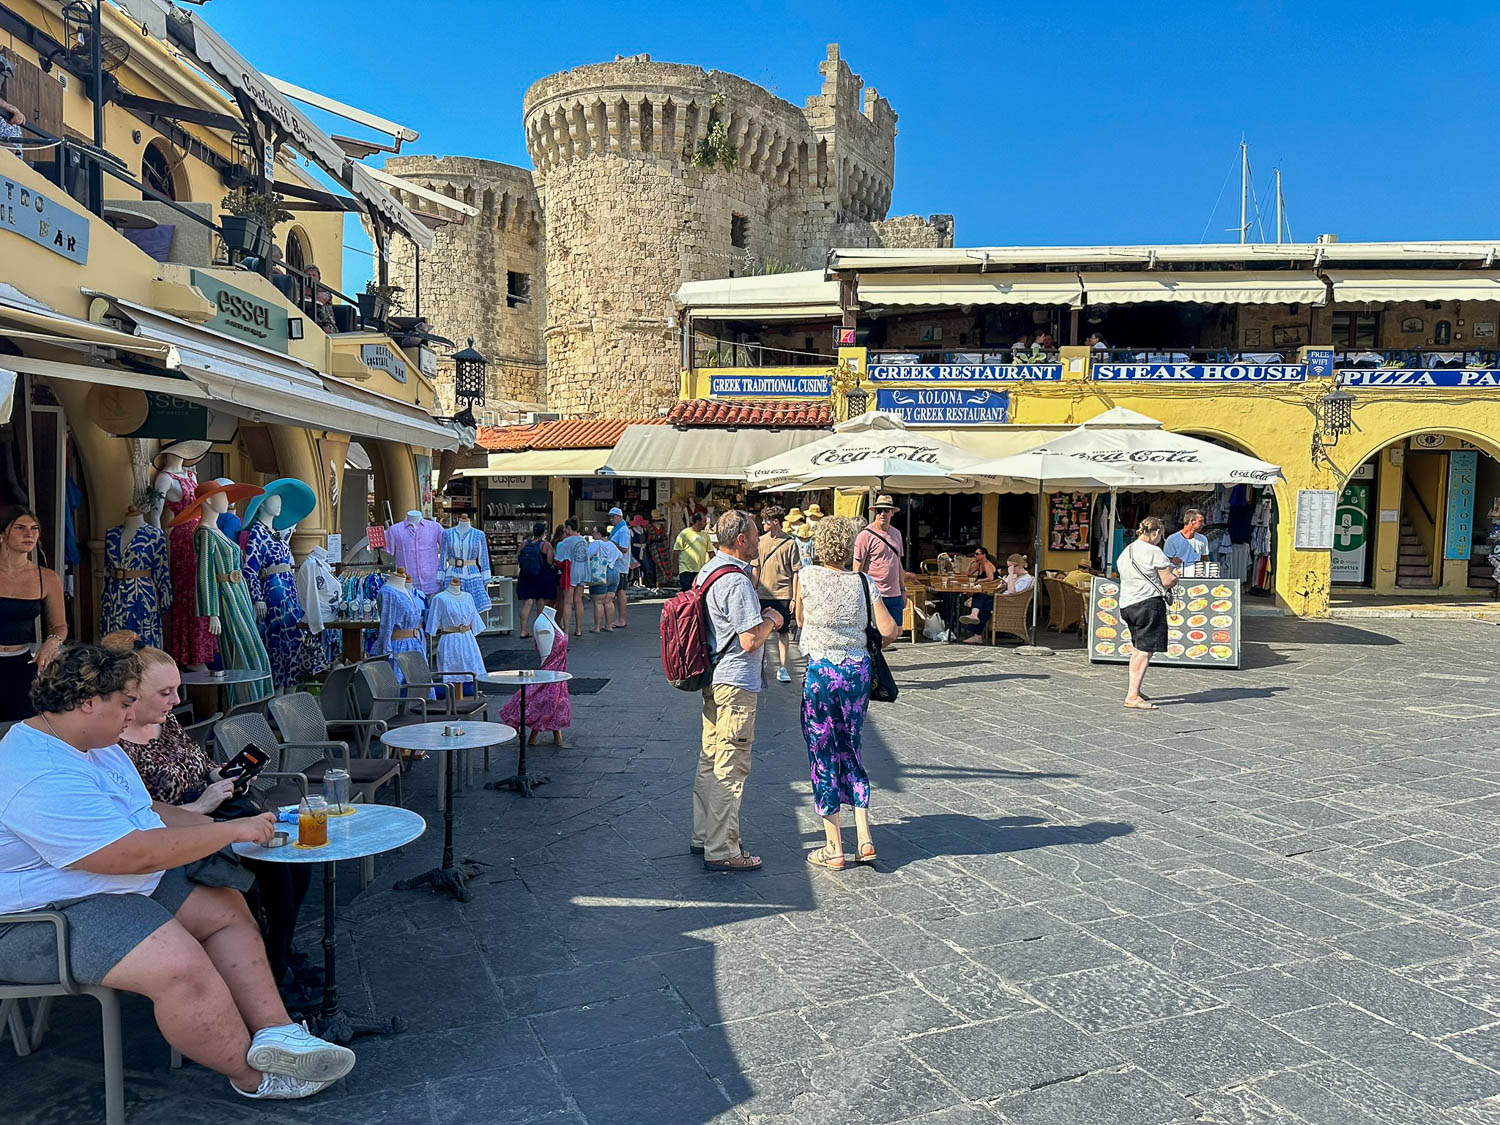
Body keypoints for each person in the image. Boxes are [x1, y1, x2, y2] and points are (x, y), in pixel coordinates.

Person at [0, 645, 354, 1100]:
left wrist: (216, 824)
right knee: (180, 967)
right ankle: (257, 1078)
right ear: (88, 703)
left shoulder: (88, 742)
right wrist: (230, 832)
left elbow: (146, 810)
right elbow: (129, 855)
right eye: (125, 704)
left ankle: (277, 1033)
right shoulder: (40, 771)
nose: (132, 716)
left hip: (100, 882)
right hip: (38, 915)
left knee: (225, 907)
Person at [102, 632, 314, 1001]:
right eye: (165, 692)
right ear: (131, 693)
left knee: (295, 861)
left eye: (176, 689)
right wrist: (201, 806)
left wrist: (223, 776)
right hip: (179, 837)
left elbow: (200, 763)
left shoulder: (164, 722)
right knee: (275, 867)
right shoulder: (112, 745)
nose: (176, 700)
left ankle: (278, 951)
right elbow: (138, 819)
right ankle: (274, 968)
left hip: (215, 812)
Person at [795, 517, 899, 869]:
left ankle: (833, 846)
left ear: (820, 546)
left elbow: (800, 620)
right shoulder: (863, 581)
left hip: (821, 673)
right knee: (851, 748)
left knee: (823, 751)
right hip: (856, 673)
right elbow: (889, 629)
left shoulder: (806, 576)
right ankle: (864, 838)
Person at [692, 510, 783, 872]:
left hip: (713, 676)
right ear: (742, 539)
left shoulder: (708, 570)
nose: (760, 540)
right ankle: (722, 848)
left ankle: (704, 834)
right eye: (756, 535)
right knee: (731, 766)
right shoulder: (737, 581)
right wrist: (772, 620)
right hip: (736, 682)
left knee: (710, 759)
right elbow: (749, 640)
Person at [0, 506, 67, 722]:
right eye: (20, 528)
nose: (29, 534)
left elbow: (59, 625)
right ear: (3, 534)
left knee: (22, 727)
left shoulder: (47, 578)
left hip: (22, 664)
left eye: (34, 528)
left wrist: (52, 642)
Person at [1118, 517, 1179, 711]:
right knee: (1145, 651)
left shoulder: (1127, 550)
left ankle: (1135, 689)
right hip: (1148, 603)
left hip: (1128, 604)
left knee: (1138, 649)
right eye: (1161, 535)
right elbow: (1167, 581)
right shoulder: (1154, 551)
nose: (1160, 539)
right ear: (1156, 533)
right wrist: (1175, 576)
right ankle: (1132, 695)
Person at [753, 505, 800, 683]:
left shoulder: (790, 543)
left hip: (783, 594)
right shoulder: (760, 541)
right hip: (763, 593)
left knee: (783, 631)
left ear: (775, 522)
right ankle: (760, 663)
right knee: (760, 631)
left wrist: (794, 598)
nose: (763, 523)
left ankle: (783, 666)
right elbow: (756, 568)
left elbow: (796, 572)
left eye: (766, 520)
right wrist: (753, 589)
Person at [853, 495, 906, 628]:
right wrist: (857, 594)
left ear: (892, 512)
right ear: (874, 512)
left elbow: (898, 563)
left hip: (894, 593)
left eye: (886, 510)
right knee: (876, 632)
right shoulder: (865, 535)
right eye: (879, 510)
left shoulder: (897, 534)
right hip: (874, 594)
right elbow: (857, 567)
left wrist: (903, 590)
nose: (882, 514)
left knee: (897, 630)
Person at [515, 522, 557, 639]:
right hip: (541, 576)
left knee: (527, 603)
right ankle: (539, 630)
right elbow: (549, 561)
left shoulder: (524, 543)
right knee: (541, 602)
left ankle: (523, 630)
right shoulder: (546, 545)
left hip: (525, 576)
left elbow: (518, 557)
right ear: (543, 533)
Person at [586, 526, 626, 633]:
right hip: (614, 572)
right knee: (609, 601)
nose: (592, 534)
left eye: (593, 532)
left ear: (599, 534)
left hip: (601, 571)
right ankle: (609, 626)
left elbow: (587, 555)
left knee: (598, 602)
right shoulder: (611, 544)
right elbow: (620, 556)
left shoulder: (596, 543)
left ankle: (597, 627)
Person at [555, 519, 588, 637]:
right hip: (583, 572)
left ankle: (566, 630)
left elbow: (558, 558)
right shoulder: (583, 540)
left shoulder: (567, 541)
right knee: (578, 601)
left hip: (571, 573)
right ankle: (579, 629)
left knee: (568, 602)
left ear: (569, 528)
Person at [957, 547, 998, 638]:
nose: (975, 555)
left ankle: (973, 616)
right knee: (977, 596)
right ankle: (974, 617)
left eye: (977, 554)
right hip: (983, 591)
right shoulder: (979, 565)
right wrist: (970, 563)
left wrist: (979, 581)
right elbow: (967, 574)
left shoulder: (987, 564)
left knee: (978, 596)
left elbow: (990, 578)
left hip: (990, 592)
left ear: (984, 555)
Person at [607, 507, 636, 628]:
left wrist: (611, 544)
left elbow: (624, 549)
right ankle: (618, 618)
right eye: (610, 517)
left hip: (620, 566)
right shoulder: (617, 530)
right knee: (618, 592)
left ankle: (622, 619)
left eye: (613, 517)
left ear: (619, 517)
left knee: (620, 592)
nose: (611, 519)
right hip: (617, 565)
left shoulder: (623, 531)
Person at [673, 510, 711, 591]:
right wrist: (675, 568)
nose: (706, 524)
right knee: (688, 592)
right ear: (697, 521)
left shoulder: (705, 535)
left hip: (700, 571)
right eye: (704, 521)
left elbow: (711, 552)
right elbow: (676, 551)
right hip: (686, 570)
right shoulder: (684, 533)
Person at [304, 265, 337, 334]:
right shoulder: (299, 289)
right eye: (308, 275)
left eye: (314, 275)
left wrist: (307, 295)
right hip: (306, 322)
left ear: (319, 278)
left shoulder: (325, 291)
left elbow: (319, 301)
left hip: (327, 326)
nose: (311, 277)